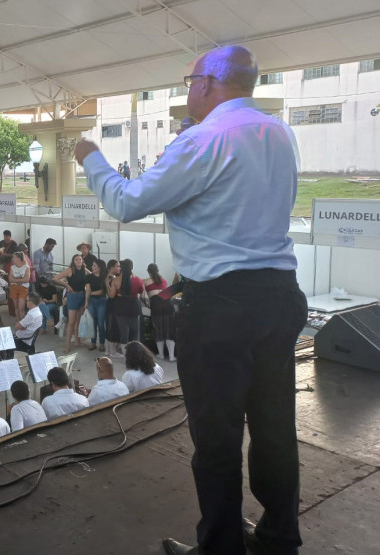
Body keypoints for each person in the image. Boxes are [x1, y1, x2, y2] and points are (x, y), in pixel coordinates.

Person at [76, 46, 308, 555]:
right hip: (279, 295)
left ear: (206, 83)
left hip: (221, 304)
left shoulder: (203, 140)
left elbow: (126, 201)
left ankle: (221, 546)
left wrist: (90, 156)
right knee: (273, 426)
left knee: (217, 435)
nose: (187, 90)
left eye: (189, 81)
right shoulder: (279, 132)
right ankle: (278, 538)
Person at [54, 253, 91, 351]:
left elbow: (92, 277)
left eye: (80, 259)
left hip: (82, 296)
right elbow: (56, 278)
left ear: (82, 260)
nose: (79, 261)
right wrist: (67, 285)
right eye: (76, 259)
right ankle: (67, 346)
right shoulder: (70, 270)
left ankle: (77, 341)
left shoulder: (84, 270)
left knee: (78, 321)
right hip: (73, 296)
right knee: (71, 322)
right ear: (73, 261)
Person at [145, 263, 176, 361]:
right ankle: (171, 356)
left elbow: (141, 296)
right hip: (168, 304)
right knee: (169, 330)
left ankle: (161, 355)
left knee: (159, 330)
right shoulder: (164, 280)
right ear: (158, 270)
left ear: (148, 272)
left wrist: (146, 303)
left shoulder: (145, 281)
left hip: (156, 305)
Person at [112, 258, 144, 344]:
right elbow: (141, 293)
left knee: (124, 332)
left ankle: (125, 353)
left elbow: (111, 295)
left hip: (120, 306)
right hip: (134, 306)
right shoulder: (138, 280)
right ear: (132, 267)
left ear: (121, 267)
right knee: (135, 332)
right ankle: (136, 351)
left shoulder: (116, 280)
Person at [84, 260, 107, 352]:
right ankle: (93, 342)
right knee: (93, 322)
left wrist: (91, 293)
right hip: (91, 300)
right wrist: (86, 301)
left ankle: (102, 343)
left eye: (94, 266)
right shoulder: (89, 277)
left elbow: (103, 291)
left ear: (100, 267)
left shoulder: (105, 277)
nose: (92, 267)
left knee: (101, 323)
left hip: (102, 300)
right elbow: (87, 290)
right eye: (92, 266)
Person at [8, 252, 30, 319]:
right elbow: (10, 279)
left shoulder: (26, 267)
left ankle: (23, 323)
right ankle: (18, 321)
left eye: (14, 257)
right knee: (16, 306)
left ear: (19, 259)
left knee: (21, 308)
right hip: (14, 288)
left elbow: (26, 280)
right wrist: (21, 279)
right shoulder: (12, 267)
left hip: (23, 288)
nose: (12, 259)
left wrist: (15, 279)